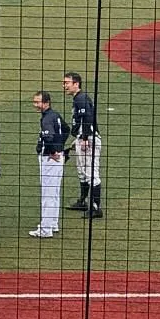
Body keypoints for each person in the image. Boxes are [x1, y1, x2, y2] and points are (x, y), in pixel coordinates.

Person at [63, 71, 103, 219]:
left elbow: (87, 117)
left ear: (76, 84)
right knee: (82, 172)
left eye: (67, 83)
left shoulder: (81, 98)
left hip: (89, 139)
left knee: (91, 174)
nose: (64, 86)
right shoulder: (78, 98)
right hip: (84, 138)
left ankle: (96, 208)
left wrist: (85, 138)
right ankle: (83, 201)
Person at [30, 90, 69, 238]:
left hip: (50, 159)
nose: (36, 105)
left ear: (46, 102)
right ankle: (53, 223)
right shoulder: (55, 115)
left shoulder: (46, 119)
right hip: (59, 158)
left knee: (48, 193)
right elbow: (66, 130)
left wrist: (53, 151)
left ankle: (46, 229)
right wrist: (60, 148)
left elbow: (49, 136)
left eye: (38, 102)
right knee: (54, 192)